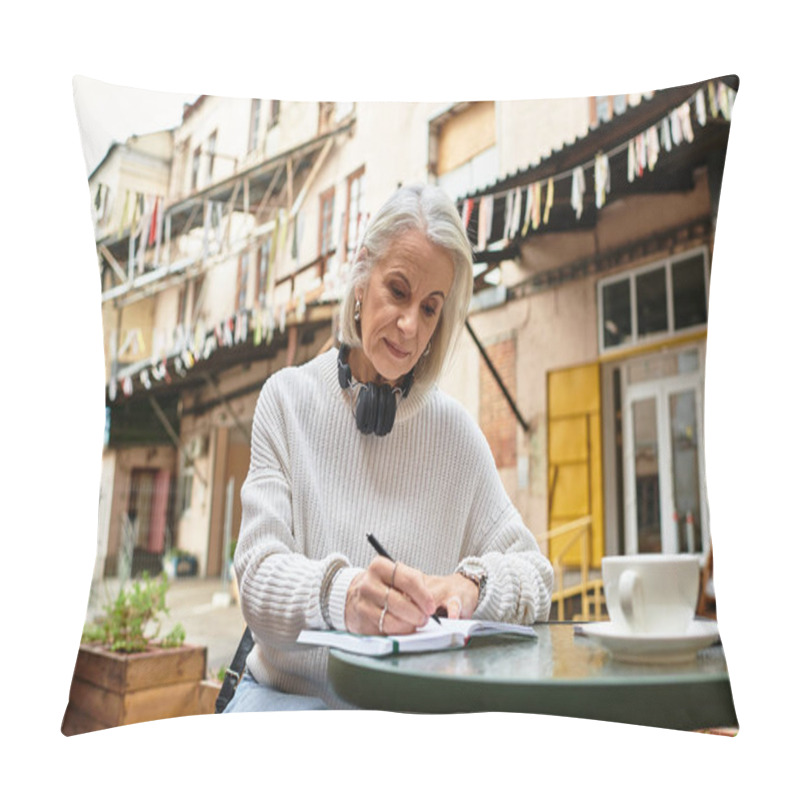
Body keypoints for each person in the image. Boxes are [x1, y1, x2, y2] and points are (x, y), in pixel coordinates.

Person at [224, 183, 553, 712]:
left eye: (430, 309)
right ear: (361, 276)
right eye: (397, 291)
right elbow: (257, 579)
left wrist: (472, 585)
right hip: (286, 701)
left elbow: (536, 574)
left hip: (404, 712)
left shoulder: (456, 435)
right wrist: (344, 595)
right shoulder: (285, 401)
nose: (410, 326)